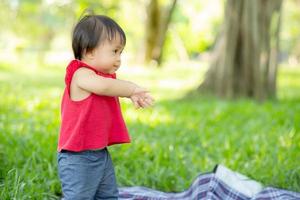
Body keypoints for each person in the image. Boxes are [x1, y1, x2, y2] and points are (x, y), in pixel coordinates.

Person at [57, 13, 154, 200]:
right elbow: (105, 87)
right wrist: (131, 90)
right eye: (114, 51)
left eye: (121, 52)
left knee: (108, 196)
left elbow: (107, 87)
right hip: (77, 158)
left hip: (100, 153)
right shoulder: (80, 74)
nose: (119, 59)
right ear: (90, 51)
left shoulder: (99, 77)